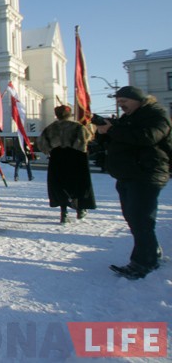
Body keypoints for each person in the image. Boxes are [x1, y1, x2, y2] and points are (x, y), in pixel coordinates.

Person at [96, 86, 171, 280]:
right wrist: (104, 132)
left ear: (138, 99)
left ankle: (143, 262)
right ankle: (151, 253)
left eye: (124, 101)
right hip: (128, 175)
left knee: (141, 219)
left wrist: (114, 129)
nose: (121, 105)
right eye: (119, 102)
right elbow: (116, 142)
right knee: (133, 217)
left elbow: (148, 137)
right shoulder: (128, 118)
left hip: (146, 173)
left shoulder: (156, 115)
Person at [37, 105, 95, 223]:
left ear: (56, 115)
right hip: (76, 157)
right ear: (70, 114)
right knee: (80, 183)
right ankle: (80, 209)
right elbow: (88, 137)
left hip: (57, 158)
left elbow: (42, 144)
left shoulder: (50, 128)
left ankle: (63, 213)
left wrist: (51, 149)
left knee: (60, 185)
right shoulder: (78, 127)